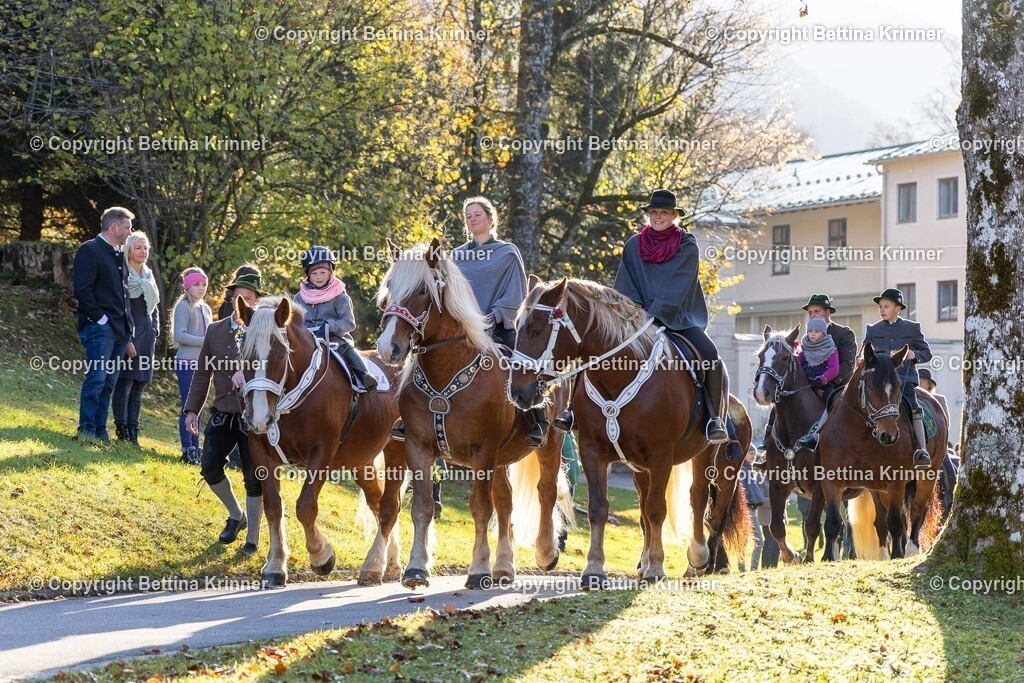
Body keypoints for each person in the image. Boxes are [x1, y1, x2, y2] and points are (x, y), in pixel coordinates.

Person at [613, 189, 743, 461]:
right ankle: (572, 411)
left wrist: (653, 314)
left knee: (710, 356)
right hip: (637, 320)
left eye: (664, 212)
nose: (658, 216)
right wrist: (634, 313)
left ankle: (715, 420)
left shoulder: (687, 245)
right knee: (600, 349)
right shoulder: (633, 246)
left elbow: (678, 288)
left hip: (679, 319)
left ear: (674, 215)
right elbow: (625, 285)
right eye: (654, 212)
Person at [183, 271, 265, 555]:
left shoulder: (264, 332)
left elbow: (274, 370)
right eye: (238, 296)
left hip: (254, 415)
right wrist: (192, 410)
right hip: (223, 411)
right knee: (209, 465)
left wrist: (248, 373)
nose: (243, 302)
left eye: (249, 298)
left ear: (257, 301)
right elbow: (202, 372)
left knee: (254, 476)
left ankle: (252, 540)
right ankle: (236, 515)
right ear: (231, 299)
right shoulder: (215, 330)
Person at [758, 293, 857, 466]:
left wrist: (824, 382)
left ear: (828, 312)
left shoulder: (843, 333)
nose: (813, 315)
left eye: (817, 311)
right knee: (780, 400)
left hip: (833, 385)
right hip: (806, 384)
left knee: (839, 407)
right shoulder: (808, 336)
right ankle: (768, 447)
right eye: (810, 312)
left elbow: (847, 365)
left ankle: (848, 451)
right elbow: (797, 362)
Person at [73, 207, 136, 444]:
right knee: (97, 379)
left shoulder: (118, 254)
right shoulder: (90, 250)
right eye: (128, 227)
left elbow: (123, 294)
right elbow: (83, 289)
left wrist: (127, 327)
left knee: (109, 383)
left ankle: (100, 430)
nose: (130, 232)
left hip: (120, 330)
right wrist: (101, 319)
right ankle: (87, 429)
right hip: (100, 328)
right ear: (114, 227)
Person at [864, 288, 934, 468]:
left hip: (904, 378)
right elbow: (863, 351)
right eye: (880, 306)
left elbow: (927, 353)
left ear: (898, 308)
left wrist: (913, 354)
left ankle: (921, 449)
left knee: (914, 406)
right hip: (878, 381)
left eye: (886, 306)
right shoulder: (872, 329)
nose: (882, 310)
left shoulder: (912, 328)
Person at [293, 246, 376, 393]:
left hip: (335, 339)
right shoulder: (299, 298)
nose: (318, 277)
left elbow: (349, 323)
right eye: (314, 273)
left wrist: (329, 326)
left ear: (331, 273)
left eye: (323, 273)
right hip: (306, 340)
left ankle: (364, 375)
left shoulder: (340, 297)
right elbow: (294, 320)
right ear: (308, 275)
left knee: (346, 349)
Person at [111, 231, 160, 446]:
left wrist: (155, 328)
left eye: (146, 248)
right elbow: (119, 310)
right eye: (138, 247)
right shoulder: (122, 274)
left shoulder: (148, 275)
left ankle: (133, 433)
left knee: (139, 386)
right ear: (129, 250)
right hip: (130, 336)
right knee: (125, 384)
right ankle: (122, 430)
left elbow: (154, 306)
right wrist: (127, 340)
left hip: (147, 337)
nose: (143, 251)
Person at [172, 267, 212, 465]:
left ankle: (196, 446)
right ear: (188, 286)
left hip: (204, 365)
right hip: (187, 363)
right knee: (189, 406)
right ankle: (187, 447)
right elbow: (180, 335)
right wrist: (206, 341)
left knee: (200, 406)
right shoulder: (183, 307)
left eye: (204, 284)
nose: (201, 288)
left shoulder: (206, 309)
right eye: (197, 284)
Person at [792, 317, 839, 450]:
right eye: (810, 331)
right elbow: (796, 366)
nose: (812, 334)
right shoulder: (801, 348)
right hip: (803, 385)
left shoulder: (831, 348)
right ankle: (770, 432)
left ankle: (824, 433)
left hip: (823, 385)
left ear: (823, 333)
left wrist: (821, 380)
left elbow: (834, 368)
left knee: (832, 402)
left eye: (817, 332)